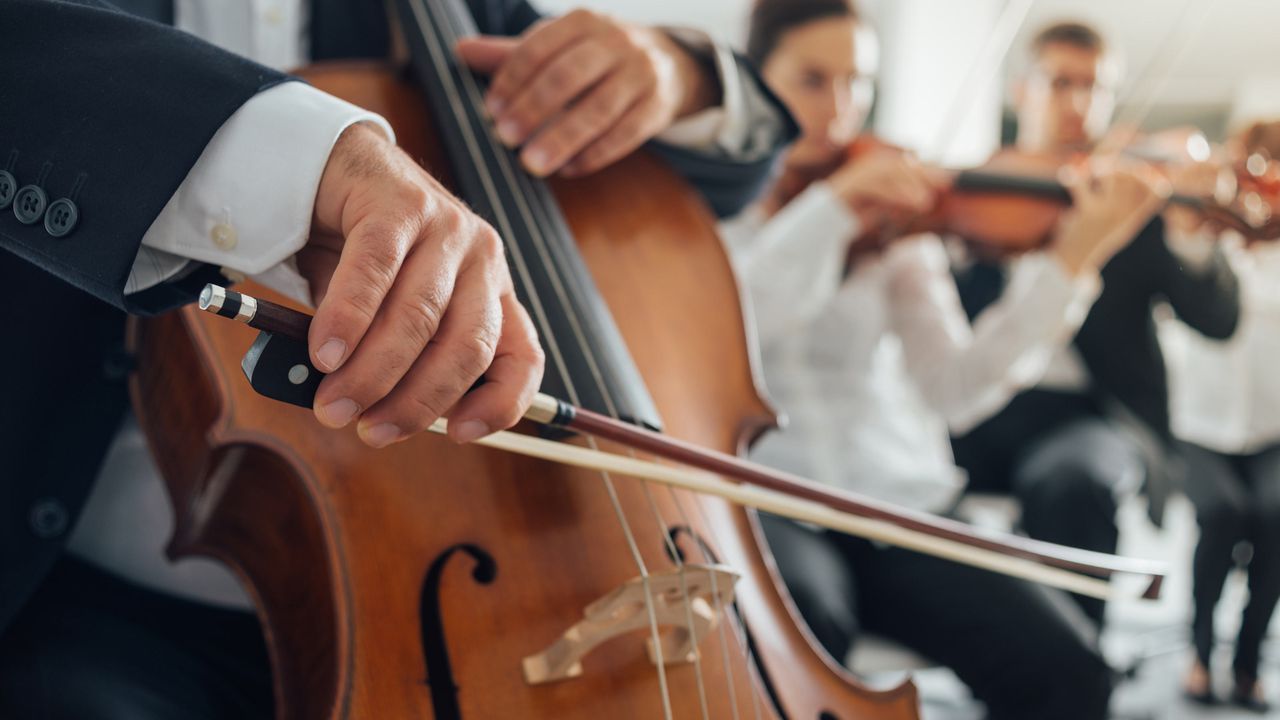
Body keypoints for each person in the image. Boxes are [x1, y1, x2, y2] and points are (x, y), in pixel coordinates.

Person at [0, 0, 796, 716]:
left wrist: (680, 74)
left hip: (482, 619)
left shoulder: (453, 15)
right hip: (89, 588)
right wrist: (309, 164)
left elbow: (731, 170)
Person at [725, 1, 1166, 718]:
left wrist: (1068, 266)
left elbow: (953, 389)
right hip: (764, 495)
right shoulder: (711, 210)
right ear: (755, 76)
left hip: (899, 497)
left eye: (858, 82)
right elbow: (738, 321)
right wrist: (829, 210)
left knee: (1070, 666)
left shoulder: (898, 220)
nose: (841, 109)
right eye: (813, 79)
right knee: (802, 636)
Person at [950, 20, 1241, 626]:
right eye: (1061, 83)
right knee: (906, 470)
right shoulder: (978, 191)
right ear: (1022, 90)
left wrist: (1189, 234)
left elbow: (1216, 318)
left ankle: (1074, 654)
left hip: (1093, 411)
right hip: (980, 400)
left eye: (1095, 87)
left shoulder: (1132, 199)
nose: (1079, 104)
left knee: (1072, 483)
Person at [1166, 120, 1280, 713]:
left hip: (1272, 429)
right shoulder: (1211, 236)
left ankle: (1248, 664)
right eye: (1259, 164)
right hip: (1202, 424)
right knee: (1220, 514)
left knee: (1276, 518)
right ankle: (1199, 653)